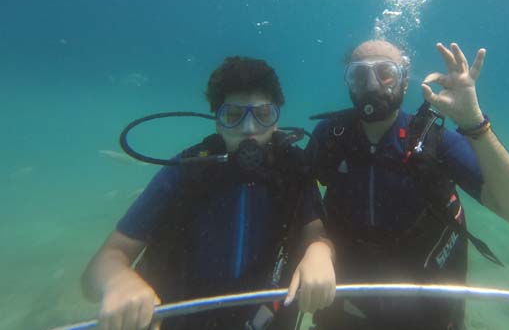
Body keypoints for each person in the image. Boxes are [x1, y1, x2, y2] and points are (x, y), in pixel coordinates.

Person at [82, 56, 335, 330]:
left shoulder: (293, 171)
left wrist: (319, 252)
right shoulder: (187, 173)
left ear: (276, 121)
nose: (249, 129)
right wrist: (117, 281)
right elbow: (104, 262)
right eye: (233, 116)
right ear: (217, 122)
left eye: (263, 115)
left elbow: (316, 235)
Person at [307, 40, 509, 330]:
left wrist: (474, 123)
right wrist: (317, 245)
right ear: (349, 82)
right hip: (347, 302)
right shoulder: (330, 137)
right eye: (359, 75)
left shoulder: (434, 141)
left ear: (404, 82)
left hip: (425, 307)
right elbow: (300, 200)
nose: (371, 85)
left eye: (385, 73)